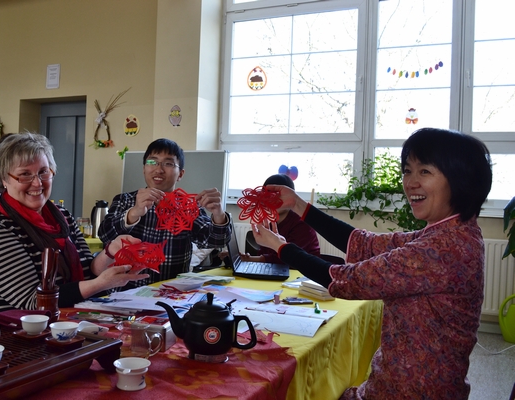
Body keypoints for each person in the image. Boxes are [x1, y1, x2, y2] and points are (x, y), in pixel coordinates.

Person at [251, 127, 492, 399]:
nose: (410, 182)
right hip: (395, 384)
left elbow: (347, 280)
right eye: (407, 171)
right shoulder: (449, 233)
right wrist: (297, 204)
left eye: (424, 171)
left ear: (460, 180)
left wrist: (280, 247)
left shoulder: (444, 248)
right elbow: (364, 244)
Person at [0, 132, 149, 312]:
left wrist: (110, 252)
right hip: (12, 327)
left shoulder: (62, 215)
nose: (37, 183)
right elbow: (33, 302)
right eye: (24, 174)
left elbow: (87, 271)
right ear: (4, 179)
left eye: (43, 172)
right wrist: (100, 284)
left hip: (66, 321)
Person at [98, 138, 232, 287]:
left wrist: (219, 214)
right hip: (125, 292)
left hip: (171, 292)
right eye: (152, 162)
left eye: (168, 163)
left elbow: (215, 241)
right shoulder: (125, 200)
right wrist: (133, 213)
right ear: (144, 169)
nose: (159, 169)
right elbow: (104, 235)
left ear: (180, 174)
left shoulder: (188, 206)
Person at [221, 173, 320, 265]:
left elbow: (290, 259)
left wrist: (248, 259)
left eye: (277, 196)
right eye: (267, 196)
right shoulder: (270, 223)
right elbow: (265, 255)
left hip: (302, 273)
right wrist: (242, 257)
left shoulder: (302, 223)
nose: (271, 201)